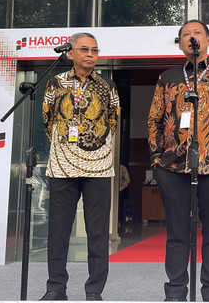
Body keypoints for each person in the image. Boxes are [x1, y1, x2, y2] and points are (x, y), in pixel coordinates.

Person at [147, 19, 209, 302]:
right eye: (186, 34)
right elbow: (154, 118)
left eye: (197, 33)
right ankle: (175, 293)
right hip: (173, 166)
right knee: (177, 233)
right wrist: (156, 157)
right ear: (179, 44)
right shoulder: (168, 77)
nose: (192, 38)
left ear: (208, 40)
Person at [40, 32, 120, 301]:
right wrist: (68, 147)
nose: (90, 55)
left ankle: (94, 290)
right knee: (58, 231)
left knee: (97, 233)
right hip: (63, 166)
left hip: (97, 167)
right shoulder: (56, 82)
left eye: (95, 50)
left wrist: (93, 145)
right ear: (71, 53)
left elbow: (113, 119)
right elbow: (47, 119)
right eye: (84, 49)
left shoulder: (108, 85)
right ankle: (55, 288)